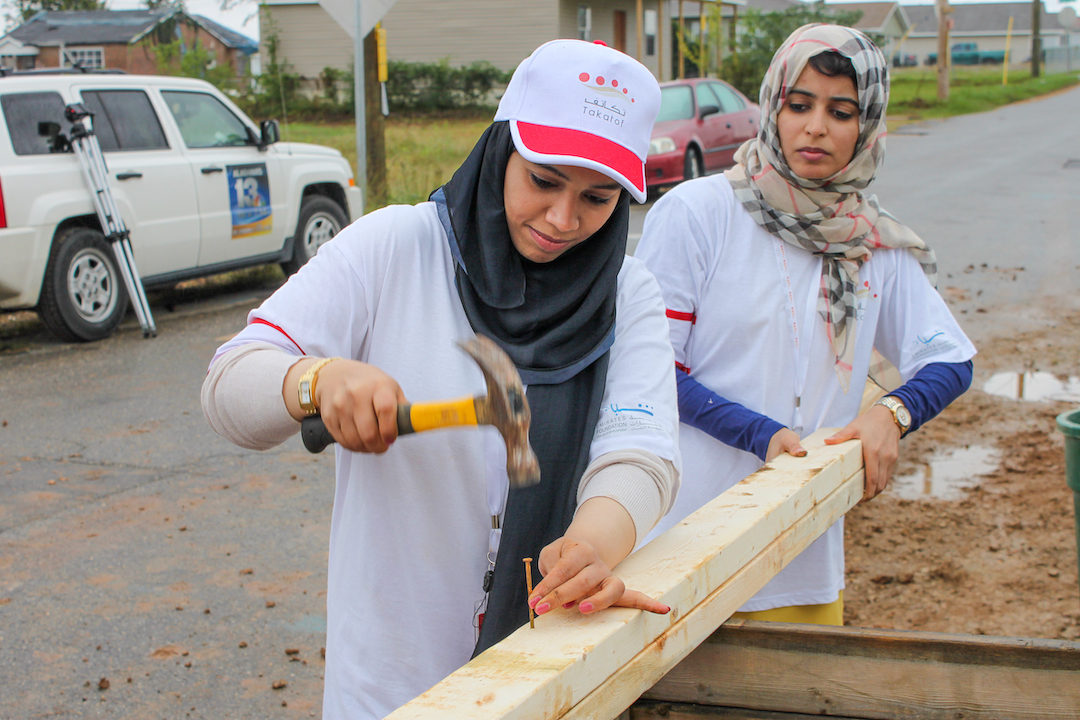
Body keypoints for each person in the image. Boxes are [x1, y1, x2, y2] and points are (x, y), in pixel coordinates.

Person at [201, 39, 680, 719]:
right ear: (499, 151)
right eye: (543, 180)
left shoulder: (628, 293)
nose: (563, 220)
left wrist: (593, 545)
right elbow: (228, 386)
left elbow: (643, 452)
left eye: (598, 198)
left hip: (551, 672)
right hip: (392, 681)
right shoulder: (397, 247)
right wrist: (315, 379)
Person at [635, 24, 975, 625]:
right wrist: (760, 434)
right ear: (773, 106)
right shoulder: (698, 214)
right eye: (799, 104)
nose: (815, 126)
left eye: (841, 111)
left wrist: (889, 413)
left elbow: (949, 358)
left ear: (865, 126)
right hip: (682, 547)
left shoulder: (872, 242)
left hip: (803, 558)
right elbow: (655, 369)